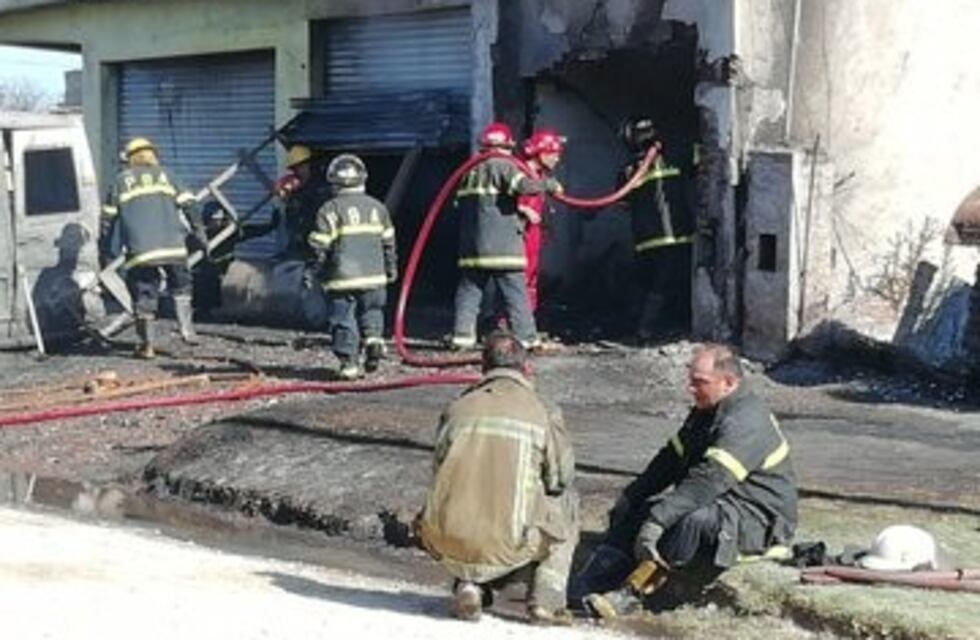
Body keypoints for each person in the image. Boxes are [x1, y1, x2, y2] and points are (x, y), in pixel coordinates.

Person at [575, 343, 798, 619]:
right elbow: (671, 459)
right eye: (690, 381)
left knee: (688, 520)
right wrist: (632, 496)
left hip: (757, 520)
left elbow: (709, 480)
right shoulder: (708, 411)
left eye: (699, 383)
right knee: (643, 507)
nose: (690, 389)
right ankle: (591, 580)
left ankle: (634, 595)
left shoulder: (746, 421)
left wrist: (658, 520)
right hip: (722, 502)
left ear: (728, 382)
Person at [417, 330, 579, 625]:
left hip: (444, 538)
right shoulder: (542, 411)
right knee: (568, 501)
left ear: (483, 366)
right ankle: (547, 600)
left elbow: (438, 470)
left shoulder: (457, 407)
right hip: (506, 543)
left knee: (467, 487)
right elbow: (559, 479)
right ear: (525, 367)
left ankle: (470, 585)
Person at [451, 122, 563, 351]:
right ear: (508, 145)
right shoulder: (504, 165)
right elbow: (523, 187)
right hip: (502, 247)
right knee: (516, 294)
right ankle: (528, 338)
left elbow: (456, 204)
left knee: (469, 294)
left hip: (472, 248)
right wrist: (549, 185)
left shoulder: (469, 172)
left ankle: (461, 338)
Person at [101, 137, 208, 358]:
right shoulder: (168, 175)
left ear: (130, 158)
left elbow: (107, 220)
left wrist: (105, 249)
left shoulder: (120, 181)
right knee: (181, 287)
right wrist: (199, 232)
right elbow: (190, 204)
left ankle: (147, 346)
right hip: (174, 248)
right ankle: (187, 330)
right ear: (152, 155)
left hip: (141, 252)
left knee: (144, 295)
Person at [307, 153, 397, 380]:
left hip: (342, 278)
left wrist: (313, 271)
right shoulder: (379, 208)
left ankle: (349, 364)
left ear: (333, 181)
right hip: (375, 277)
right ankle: (374, 340)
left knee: (343, 319)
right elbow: (389, 243)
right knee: (372, 311)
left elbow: (319, 247)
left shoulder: (329, 209)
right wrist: (391, 268)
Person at [621, 117, 698, 341]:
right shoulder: (676, 157)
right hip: (675, 235)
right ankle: (646, 328)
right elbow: (707, 158)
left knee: (646, 284)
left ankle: (638, 325)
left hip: (645, 239)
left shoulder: (627, 170)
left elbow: (622, 204)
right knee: (665, 285)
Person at [518, 129, 565, 316]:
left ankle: (526, 327)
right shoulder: (520, 172)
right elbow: (499, 202)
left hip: (533, 235)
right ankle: (507, 327)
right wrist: (524, 210)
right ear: (541, 152)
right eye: (554, 154)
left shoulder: (541, 177)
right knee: (517, 282)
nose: (557, 159)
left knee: (530, 280)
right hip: (518, 235)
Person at [276, 144, 331, 260]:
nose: (298, 171)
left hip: (314, 243)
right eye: (295, 168)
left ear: (309, 165)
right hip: (298, 243)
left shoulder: (320, 188)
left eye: (300, 167)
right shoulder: (296, 185)